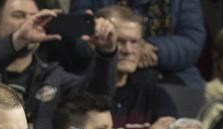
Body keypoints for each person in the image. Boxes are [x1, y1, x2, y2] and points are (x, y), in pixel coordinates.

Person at [0, 0, 117, 129]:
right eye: (19, 16)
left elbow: (98, 97)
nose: (29, 23)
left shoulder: (54, 76)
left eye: (34, 17)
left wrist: (106, 53)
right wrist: (18, 39)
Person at [97, 4, 177, 129]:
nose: (128, 50)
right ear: (97, 41)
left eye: (135, 42)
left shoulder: (154, 95)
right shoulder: (83, 91)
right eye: (121, 41)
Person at [71, 0, 205, 89]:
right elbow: (77, 38)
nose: (129, 50)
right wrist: (107, 48)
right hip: (104, 68)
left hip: (170, 71)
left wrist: (148, 49)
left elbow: (192, 41)